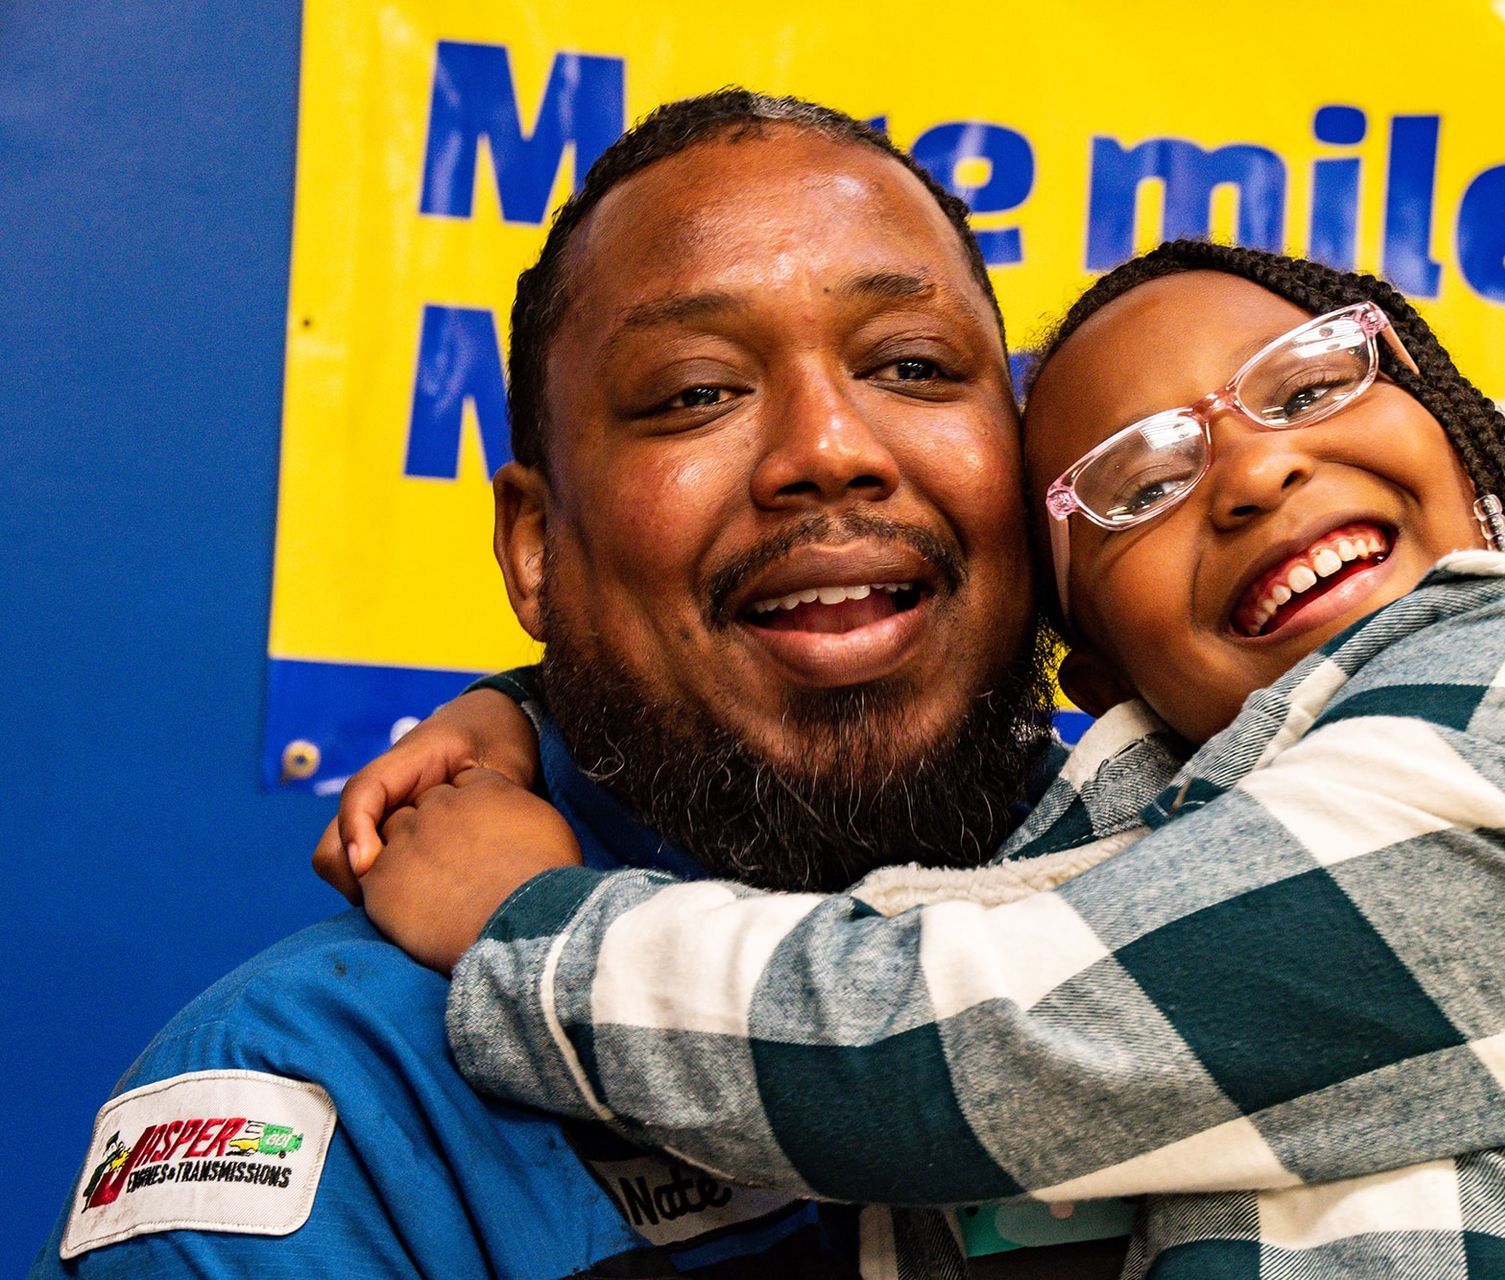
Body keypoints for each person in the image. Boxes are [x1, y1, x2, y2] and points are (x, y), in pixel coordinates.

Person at [341, 242, 1505, 1279]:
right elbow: (929, 816)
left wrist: (532, 928)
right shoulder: (1199, 829)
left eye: (1308, 384)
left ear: (1451, 427)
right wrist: (546, 708)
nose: (1252, 471)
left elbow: (957, 1049)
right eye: (1141, 483)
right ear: (1098, 666)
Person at [35, 89, 1069, 1278]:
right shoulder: (328, 1095)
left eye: (912, 364)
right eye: (696, 392)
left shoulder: (1228, 868)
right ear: (537, 547)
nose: (831, 447)